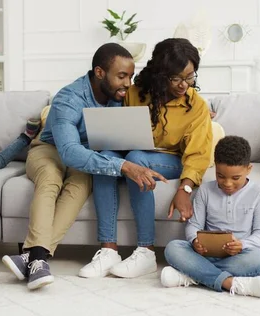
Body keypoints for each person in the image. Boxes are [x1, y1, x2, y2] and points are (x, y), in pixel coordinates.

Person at [1, 43, 168, 290]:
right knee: (49, 178)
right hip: (50, 151)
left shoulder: (120, 98)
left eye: (130, 76)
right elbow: (69, 152)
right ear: (100, 73)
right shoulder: (68, 98)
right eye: (121, 76)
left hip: (87, 157)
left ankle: (33, 258)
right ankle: (38, 258)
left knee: (80, 185)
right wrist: (123, 166)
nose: (127, 83)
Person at [79, 38, 213, 279]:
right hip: (133, 151)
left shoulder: (196, 107)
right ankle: (108, 250)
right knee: (107, 157)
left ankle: (146, 251)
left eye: (190, 77)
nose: (184, 85)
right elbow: (117, 128)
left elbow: (198, 155)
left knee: (137, 158)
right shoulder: (136, 93)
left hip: (171, 159)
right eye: (176, 78)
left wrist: (185, 187)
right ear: (161, 75)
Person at [161, 135, 260, 299]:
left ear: (248, 169)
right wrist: (194, 241)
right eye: (220, 176)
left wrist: (242, 244)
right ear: (215, 169)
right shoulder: (205, 190)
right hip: (204, 254)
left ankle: (191, 276)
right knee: (173, 248)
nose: (227, 183)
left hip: (238, 256)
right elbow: (194, 225)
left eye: (235, 178)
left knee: (259, 260)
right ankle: (230, 283)